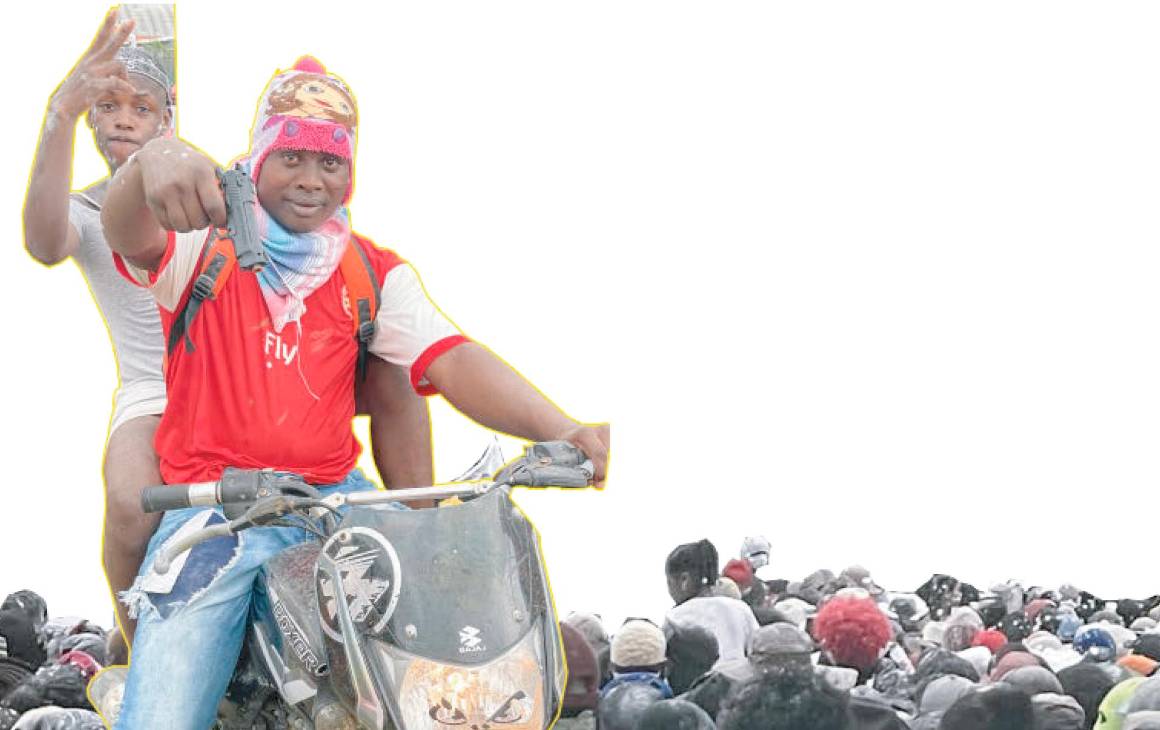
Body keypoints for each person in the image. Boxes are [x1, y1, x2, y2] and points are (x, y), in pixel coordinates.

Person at [101, 54, 610, 728]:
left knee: (443, 676)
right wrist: (148, 163)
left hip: (341, 504)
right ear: (258, 158)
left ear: (351, 171)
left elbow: (452, 358)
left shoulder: (370, 271)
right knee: (160, 718)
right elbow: (128, 231)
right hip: (218, 512)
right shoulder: (205, 246)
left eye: (331, 163)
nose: (312, 180)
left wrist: (563, 428)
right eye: (292, 159)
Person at [20, 10, 434, 661]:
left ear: (169, 117)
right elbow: (43, 242)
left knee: (399, 363)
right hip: (159, 384)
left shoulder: (202, 180)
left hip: (264, 363)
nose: (124, 118)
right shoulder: (91, 207)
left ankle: (417, 541)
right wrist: (58, 114)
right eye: (107, 106)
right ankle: (144, 642)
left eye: (141, 106)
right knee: (130, 504)